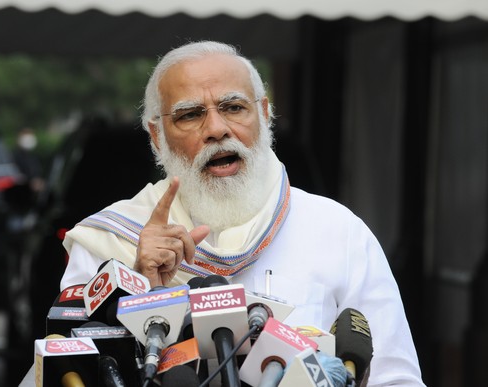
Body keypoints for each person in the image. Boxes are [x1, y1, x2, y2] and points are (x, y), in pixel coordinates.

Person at [60, 41, 425, 386]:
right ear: (157, 136)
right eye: (190, 115)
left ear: (264, 114)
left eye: (234, 108)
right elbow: (70, 368)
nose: (217, 130)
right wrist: (139, 287)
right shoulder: (111, 240)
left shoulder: (338, 231)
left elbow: (393, 377)